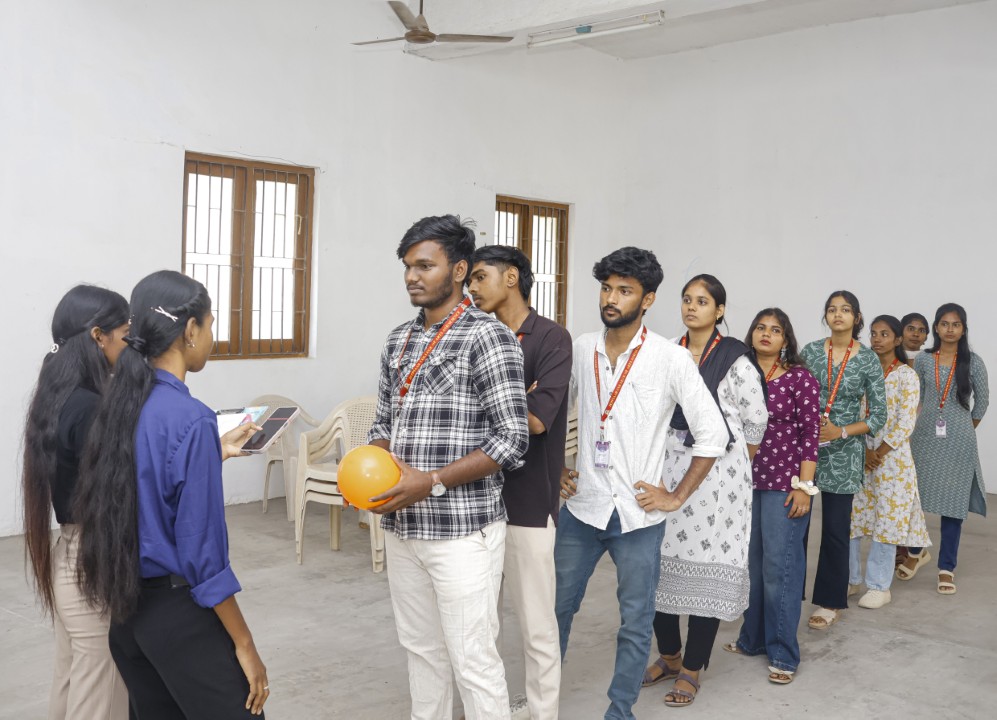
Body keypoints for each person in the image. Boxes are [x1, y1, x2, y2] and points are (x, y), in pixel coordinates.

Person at [74, 270, 269, 719]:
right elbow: (204, 558)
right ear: (190, 330)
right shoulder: (191, 417)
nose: (212, 337)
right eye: (211, 324)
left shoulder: (119, 405)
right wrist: (245, 644)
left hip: (128, 617)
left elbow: (145, 483)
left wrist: (211, 453)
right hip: (181, 619)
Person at [367, 215, 529, 720]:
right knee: (421, 652)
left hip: (462, 532)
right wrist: (372, 469)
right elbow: (383, 423)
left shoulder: (488, 337)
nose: (412, 277)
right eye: (407, 266)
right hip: (403, 526)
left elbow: (512, 438)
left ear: (459, 270)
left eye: (425, 266)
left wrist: (431, 481)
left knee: (473, 660)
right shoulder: (398, 340)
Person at [555, 248, 727, 720]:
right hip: (583, 508)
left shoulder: (670, 358)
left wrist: (676, 495)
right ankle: (540, 704)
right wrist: (556, 470)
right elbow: (551, 412)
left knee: (635, 622)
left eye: (625, 291)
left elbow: (713, 434)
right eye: (606, 288)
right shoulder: (581, 348)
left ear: (647, 299)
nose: (611, 298)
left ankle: (620, 711)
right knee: (554, 614)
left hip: (638, 516)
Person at [646, 275, 768, 706]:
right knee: (656, 566)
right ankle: (669, 656)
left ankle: (692, 668)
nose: (691, 307)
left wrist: (731, 467)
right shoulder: (667, 352)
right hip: (667, 472)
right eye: (686, 299)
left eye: (702, 301)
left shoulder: (735, 359)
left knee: (707, 572)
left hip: (719, 482)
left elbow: (755, 422)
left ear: (719, 311)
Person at [469, 245, 572, 720]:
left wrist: (494, 404)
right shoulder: (475, 335)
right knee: (476, 625)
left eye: (479, 277)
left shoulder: (551, 338)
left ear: (511, 277)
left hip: (528, 501)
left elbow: (535, 420)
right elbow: (464, 415)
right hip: (473, 501)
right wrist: (515, 399)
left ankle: (542, 712)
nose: (471, 288)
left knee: (536, 625)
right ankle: (486, 708)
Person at [22, 285, 131, 720]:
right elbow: (124, 487)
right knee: (97, 697)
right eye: (126, 332)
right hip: (92, 565)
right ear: (98, 336)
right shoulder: (88, 408)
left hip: (71, 556)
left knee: (70, 684)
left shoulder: (58, 396)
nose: (131, 343)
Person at [724, 308, 819, 685]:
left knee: (781, 567)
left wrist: (804, 487)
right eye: (760, 327)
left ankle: (783, 652)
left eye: (775, 329)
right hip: (744, 481)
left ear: (786, 339)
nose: (766, 333)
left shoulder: (799, 378)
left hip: (786, 483)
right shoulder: (739, 373)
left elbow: (811, 434)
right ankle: (752, 639)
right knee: (752, 565)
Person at [800, 291, 886, 630]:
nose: (838, 314)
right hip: (804, 449)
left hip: (844, 453)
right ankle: (789, 594)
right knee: (795, 526)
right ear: (825, 316)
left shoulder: (867, 359)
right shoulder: (809, 352)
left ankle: (829, 602)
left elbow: (878, 416)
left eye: (845, 309)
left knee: (836, 531)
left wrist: (841, 432)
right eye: (832, 309)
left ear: (856, 317)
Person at [902, 303, 989, 595]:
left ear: (963, 329)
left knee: (953, 505)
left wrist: (964, 428)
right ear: (936, 328)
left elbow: (983, 402)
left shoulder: (973, 362)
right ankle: (915, 553)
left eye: (956, 324)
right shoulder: (924, 360)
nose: (950, 329)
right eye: (944, 324)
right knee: (916, 499)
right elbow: (917, 399)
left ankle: (946, 567)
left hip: (959, 441)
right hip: (925, 437)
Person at [849, 315, 930, 608]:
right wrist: (864, 451)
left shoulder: (907, 376)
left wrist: (879, 453)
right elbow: (854, 412)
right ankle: (851, 579)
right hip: (861, 456)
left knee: (887, 521)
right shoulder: (864, 372)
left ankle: (879, 586)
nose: (877, 339)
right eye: (873, 333)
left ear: (897, 340)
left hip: (893, 461)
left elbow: (906, 422)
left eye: (884, 334)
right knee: (854, 519)